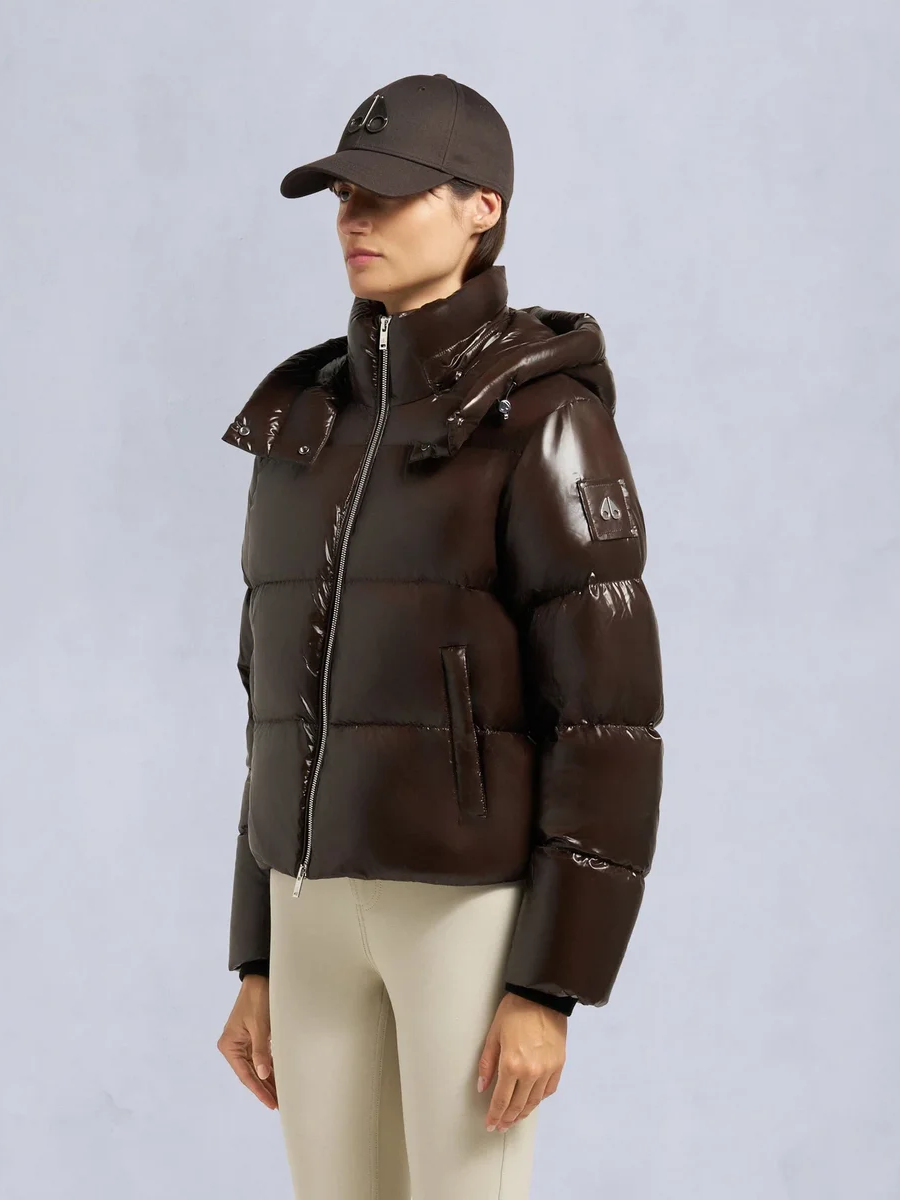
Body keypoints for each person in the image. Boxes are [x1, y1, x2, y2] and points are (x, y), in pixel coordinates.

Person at [216, 72, 664, 1200]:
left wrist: (549, 986)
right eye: (342, 194)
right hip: (308, 910)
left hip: (462, 917)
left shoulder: (544, 421)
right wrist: (257, 952)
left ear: (481, 208)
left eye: (389, 192)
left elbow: (607, 725)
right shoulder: (304, 426)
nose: (353, 218)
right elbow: (275, 711)